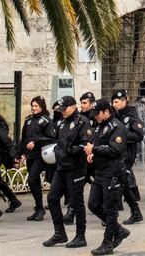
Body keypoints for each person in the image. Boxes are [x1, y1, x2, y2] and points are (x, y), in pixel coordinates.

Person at [43, 96, 93, 249]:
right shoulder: (62, 122)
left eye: (64, 109)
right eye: (61, 110)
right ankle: (60, 233)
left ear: (73, 106)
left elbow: (87, 144)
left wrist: (72, 150)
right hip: (62, 166)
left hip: (76, 167)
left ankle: (80, 236)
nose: (62, 112)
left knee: (76, 202)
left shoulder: (82, 122)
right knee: (52, 198)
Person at [85, 99, 129, 255]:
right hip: (101, 172)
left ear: (106, 112)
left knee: (110, 210)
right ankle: (118, 230)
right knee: (93, 204)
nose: (95, 117)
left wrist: (95, 149)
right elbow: (97, 145)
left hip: (113, 173)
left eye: (97, 114)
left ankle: (107, 243)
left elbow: (115, 150)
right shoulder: (100, 126)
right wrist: (93, 154)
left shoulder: (117, 128)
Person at [111, 89, 145, 223]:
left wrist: (122, 136)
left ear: (124, 101)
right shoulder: (115, 115)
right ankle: (136, 212)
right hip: (116, 154)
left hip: (127, 155)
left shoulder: (132, 116)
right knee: (123, 183)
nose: (113, 104)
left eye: (116, 101)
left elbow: (138, 135)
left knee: (118, 183)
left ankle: (112, 215)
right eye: (113, 101)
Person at [19, 96, 57, 221]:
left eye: (36, 106)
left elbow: (51, 137)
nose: (33, 108)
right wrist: (20, 153)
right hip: (30, 155)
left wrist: (36, 141)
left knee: (32, 178)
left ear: (42, 107)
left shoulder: (46, 121)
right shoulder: (28, 120)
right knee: (33, 181)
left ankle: (40, 209)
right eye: (32, 106)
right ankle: (38, 208)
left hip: (41, 155)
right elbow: (24, 138)